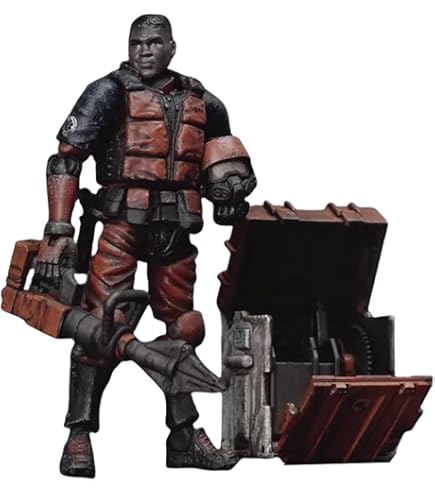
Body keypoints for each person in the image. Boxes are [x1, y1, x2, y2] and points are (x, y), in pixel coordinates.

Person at [32, 14, 256, 476]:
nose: (144, 50)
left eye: (154, 42)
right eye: (137, 43)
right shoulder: (108, 92)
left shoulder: (203, 102)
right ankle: (78, 434)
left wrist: (231, 194)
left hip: (175, 231)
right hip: (122, 226)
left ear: (172, 47)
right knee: (100, 327)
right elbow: (65, 160)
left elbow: (224, 164)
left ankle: (183, 438)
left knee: (185, 330)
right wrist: (58, 231)